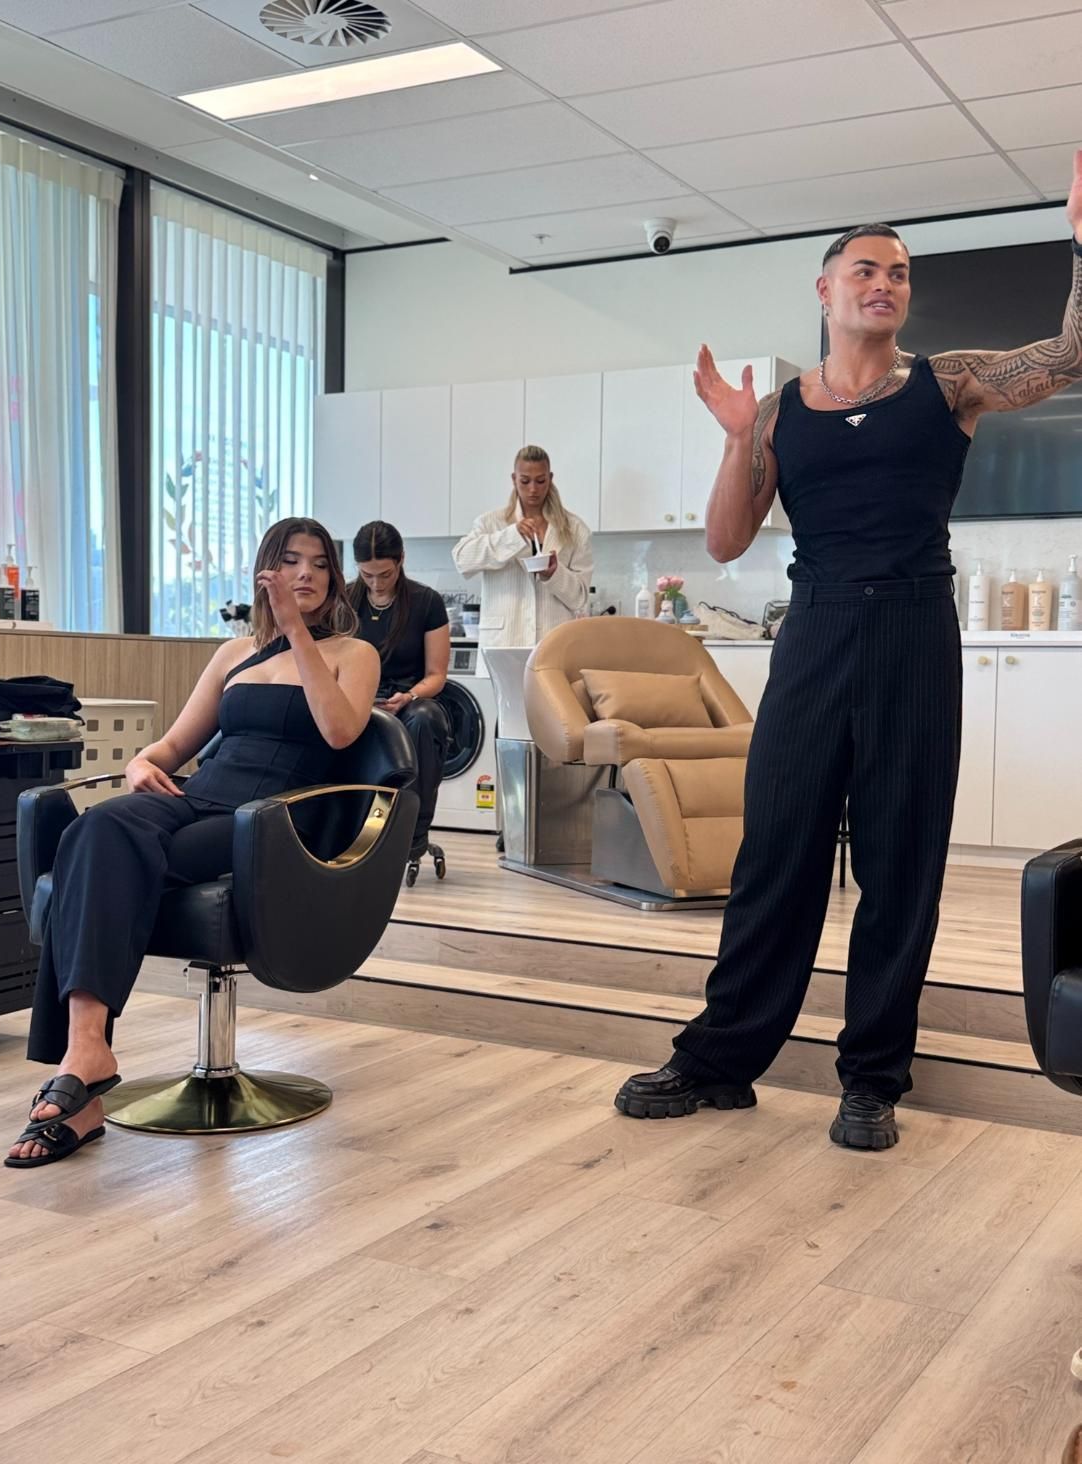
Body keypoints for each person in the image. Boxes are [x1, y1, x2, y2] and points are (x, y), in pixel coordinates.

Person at [616, 152, 1082, 1150]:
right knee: (775, 853)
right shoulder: (779, 413)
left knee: (899, 863)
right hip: (818, 626)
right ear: (825, 289)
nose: (885, 284)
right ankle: (719, 1057)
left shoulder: (949, 385)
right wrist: (740, 438)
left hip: (915, 627)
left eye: (900, 272)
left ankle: (872, 1075)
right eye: (866, 269)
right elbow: (727, 541)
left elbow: (1070, 358)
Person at [5, 518, 379, 1168]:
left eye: (319, 563)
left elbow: (343, 732)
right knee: (95, 828)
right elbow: (176, 745)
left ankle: (79, 1078)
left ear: (333, 578)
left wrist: (297, 634)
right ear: (267, 572)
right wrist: (139, 764)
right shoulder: (233, 655)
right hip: (197, 796)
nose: (306, 574)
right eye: (291, 561)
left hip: (266, 822)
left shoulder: (352, 653)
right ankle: (86, 1052)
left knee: (105, 862)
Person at [348, 520, 451, 863]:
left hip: (408, 701)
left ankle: (412, 836)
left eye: (385, 575)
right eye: (367, 575)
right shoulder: (343, 600)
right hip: (355, 700)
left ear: (401, 560)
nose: (376, 584)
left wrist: (409, 697)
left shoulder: (427, 602)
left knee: (424, 719)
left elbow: (437, 675)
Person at [452, 444, 593, 658]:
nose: (533, 489)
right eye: (525, 481)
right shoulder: (491, 523)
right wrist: (511, 537)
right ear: (514, 479)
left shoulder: (575, 529)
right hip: (504, 642)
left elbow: (580, 598)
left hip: (553, 641)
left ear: (551, 478)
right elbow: (462, 560)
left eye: (540, 481)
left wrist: (554, 574)